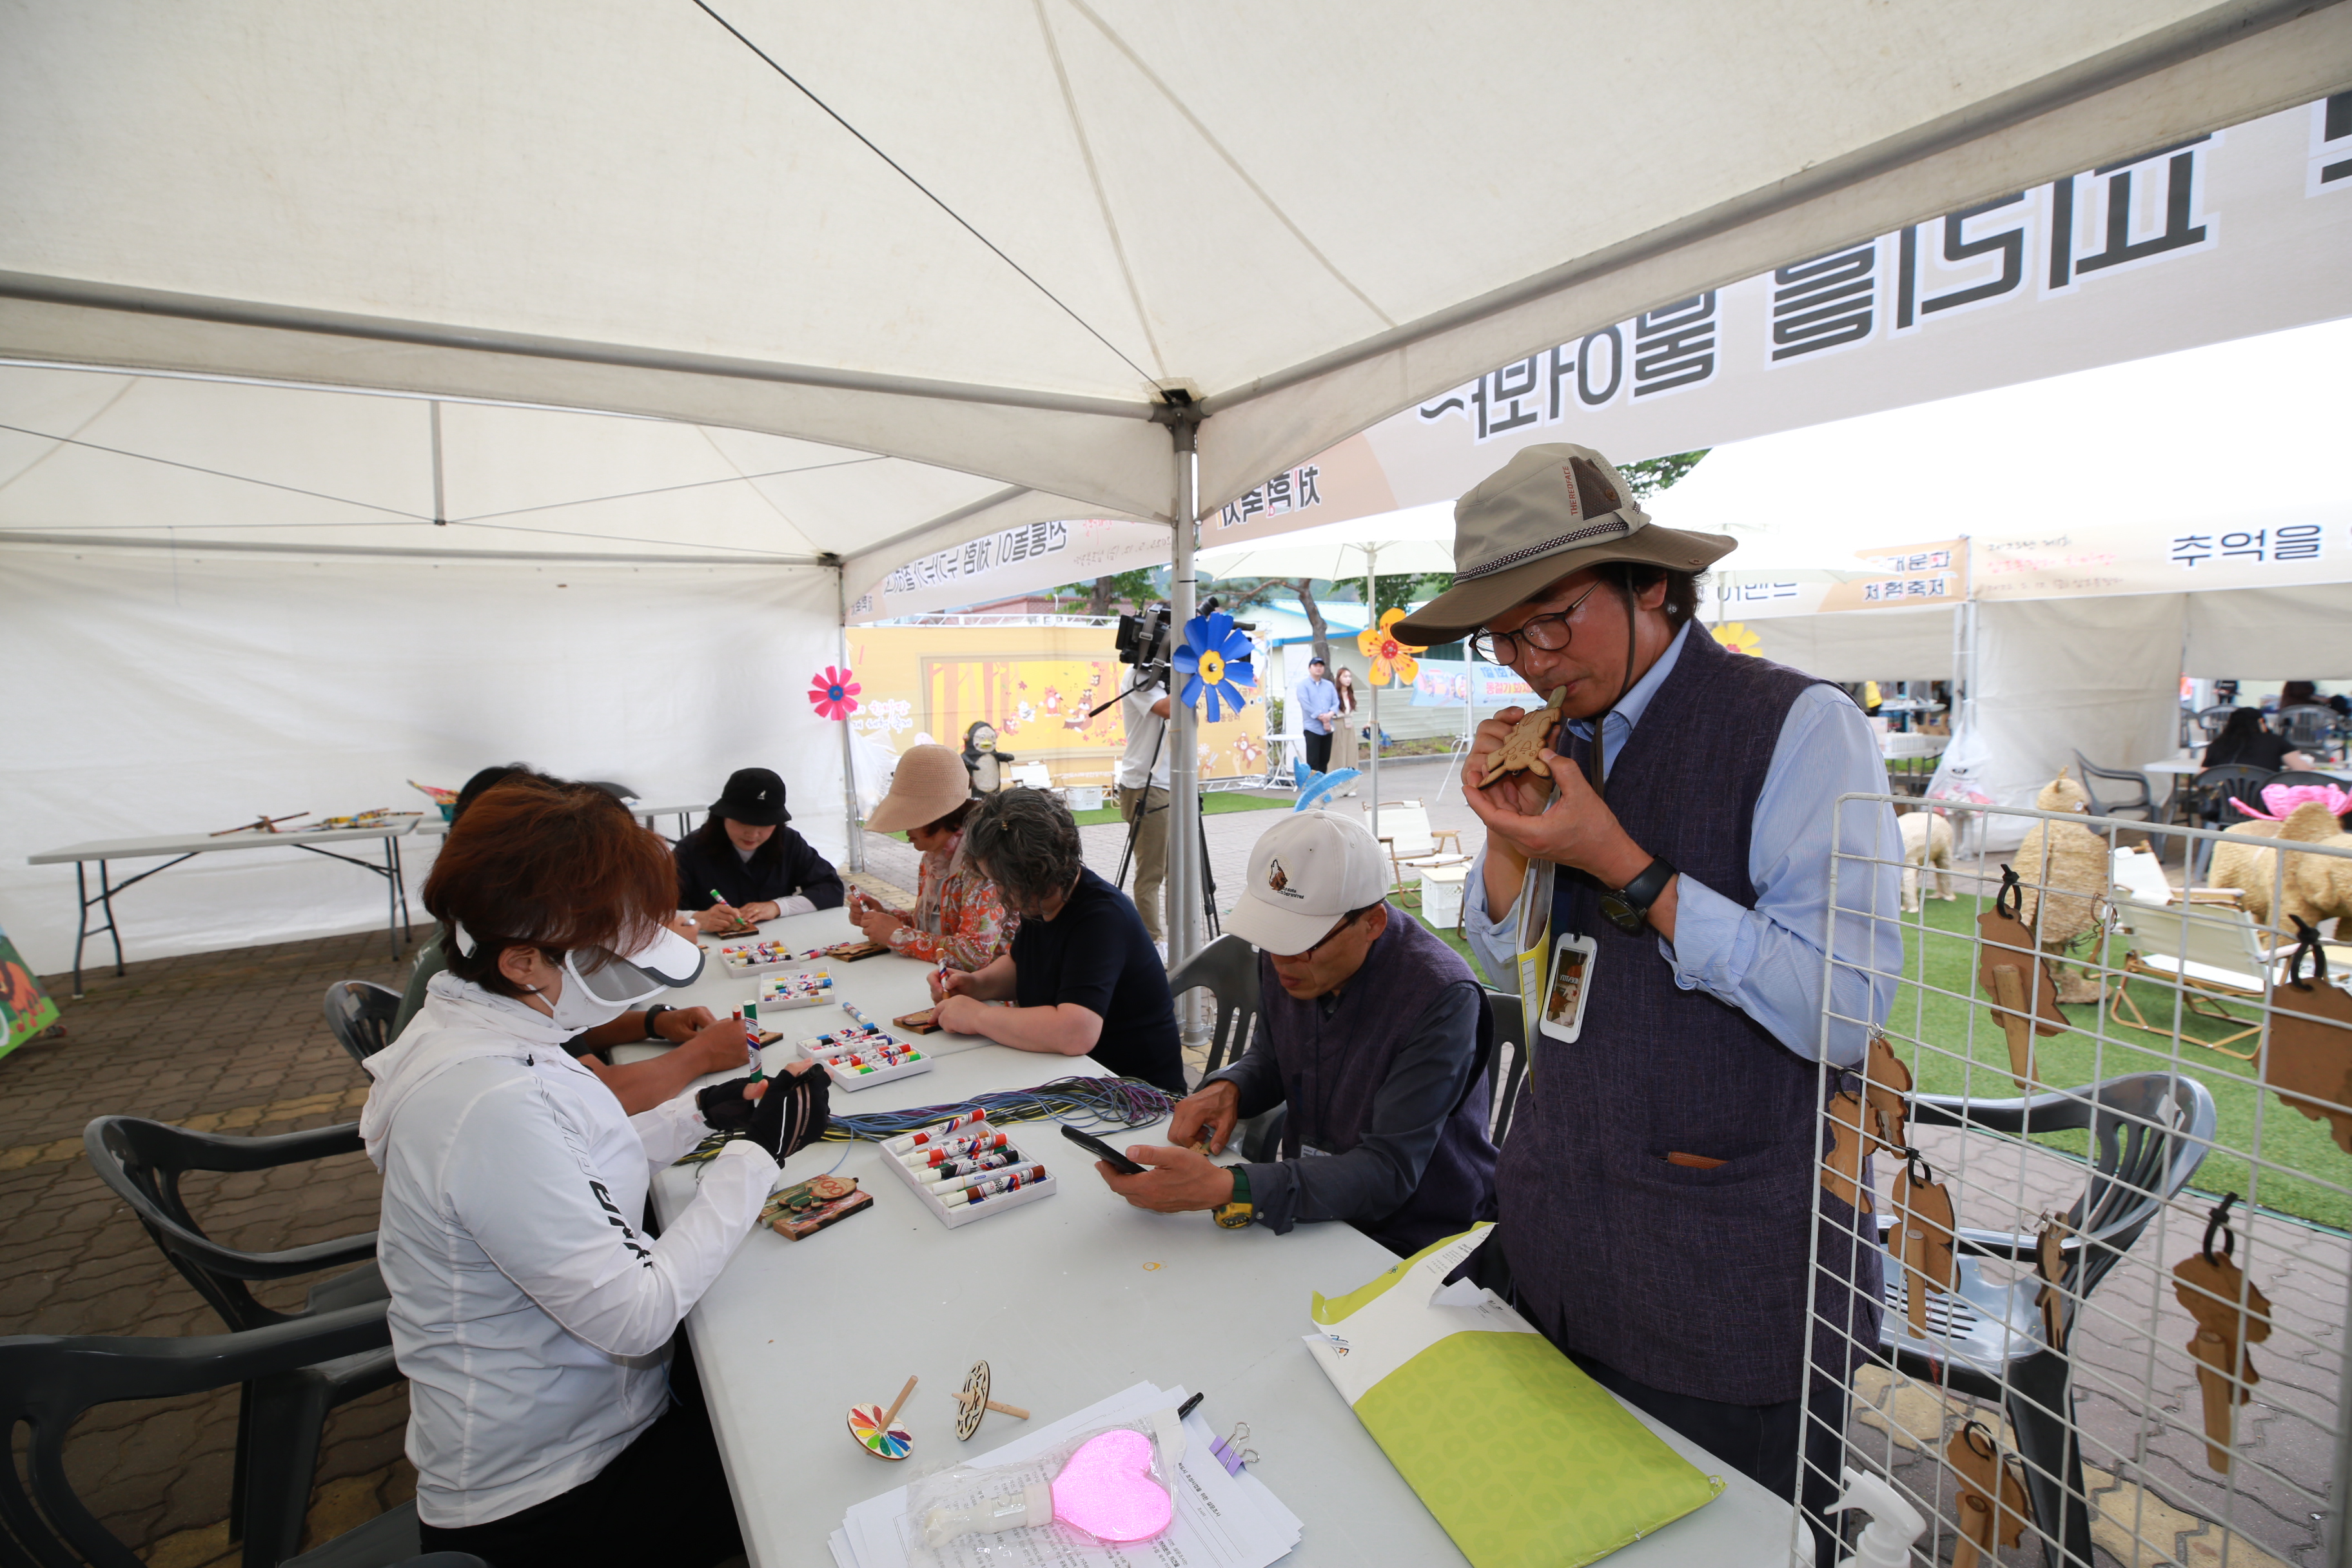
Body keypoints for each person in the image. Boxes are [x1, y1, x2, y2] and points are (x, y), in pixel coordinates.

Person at [1393, 442, 1900, 1553]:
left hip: (1727, 1286)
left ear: (1650, 581)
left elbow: (1842, 1007)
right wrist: (1509, 843)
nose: (1529, 663)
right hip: (1553, 1253)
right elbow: (1499, 968)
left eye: (1551, 621)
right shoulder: (1564, 737)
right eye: (1501, 638)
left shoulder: (1799, 726)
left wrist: (1626, 863)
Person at [362, 774, 825, 1566]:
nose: (632, 986)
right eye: (610, 966)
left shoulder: (488, 1026)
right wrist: (758, 1155)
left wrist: (704, 1117)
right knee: (814, 1458)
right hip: (553, 1494)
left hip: (583, 1424)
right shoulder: (488, 1102)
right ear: (522, 961)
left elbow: (573, 1153)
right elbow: (637, 1315)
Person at [1096, 810, 1497, 1255]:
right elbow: (1273, 1057)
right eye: (1270, 936)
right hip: (1312, 1205)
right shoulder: (1285, 955)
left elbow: (1390, 1171)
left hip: (1413, 1236)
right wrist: (1234, 1086)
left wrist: (1234, 1186)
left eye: (1303, 943)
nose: (1281, 961)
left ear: (1373, 923)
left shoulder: (1440, 996)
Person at [392, 765, 755, 1114]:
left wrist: (653, 1022)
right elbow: (596, 1097)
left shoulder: (503, 972)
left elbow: (565, 1029)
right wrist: (703, 1055)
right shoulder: (504, 1092)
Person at [931, 787, 1186, 1095]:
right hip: (1079, 1078)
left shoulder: (1102, 918)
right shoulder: (1043, 897)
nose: (999, 893)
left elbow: (1075, 1032)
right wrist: (976, 984)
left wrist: (979, 1016)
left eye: (1001, 883)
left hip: (1137, 1095)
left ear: (1033, 876)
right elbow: (1023, 963)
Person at [847, 743, 1014, 970]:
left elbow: (975, 953)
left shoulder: (984, 862)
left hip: (992, 994)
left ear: (942, 816)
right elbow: (937, 926)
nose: (905, 827)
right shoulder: (935, 856)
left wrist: (896, 935)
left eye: (911, 816)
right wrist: (883, 915)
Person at [675, 767, 845, 930]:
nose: (753, 834)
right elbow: (652, 911)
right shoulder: (689, 850)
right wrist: (697, 918)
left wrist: (777, 907)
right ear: (722, 816)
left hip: (777, 945)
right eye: (743, 822)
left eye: (765, 824)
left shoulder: (788, 841)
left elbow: (831, 889)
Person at [1115, 664, 1173, 945]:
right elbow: (1167, 708)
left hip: (1173, 784)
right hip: (1146, 786)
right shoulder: (1139, 674)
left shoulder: (1172, 675)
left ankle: (1180, 936)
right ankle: (1154, 942)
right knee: (1152, 872)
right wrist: (1198, 672)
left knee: (1179, 869)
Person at [2203, 707, 2309, 774]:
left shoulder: (2218, 743)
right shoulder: (2275, 741)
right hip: (2263, 800)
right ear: (2261, 722)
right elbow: (2303, 770)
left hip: (2225, 801)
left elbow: (2204, 774)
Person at [1293, 656, 1340, 774]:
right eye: (1315, 666)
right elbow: (1306, 704)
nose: (1318, 669)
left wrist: (1329, 716)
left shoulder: (1329, 685)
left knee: (1325, 760)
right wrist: (1322, 718)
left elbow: (1336, 703)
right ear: (1310, 668)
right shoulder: (1303, 685)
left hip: (1328, 728)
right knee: (1313, 761)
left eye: (1321, 666)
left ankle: (1322, 786)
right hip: (1312, 728)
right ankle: (1312, 787)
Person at [1328, 666, 1362, 790]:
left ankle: (1351, 786)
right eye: (1345, 676)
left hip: (1349, 724)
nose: (1348, 679)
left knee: (1351, 755)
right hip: (1337, 723)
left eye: (1349, 677)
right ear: (1339, 678)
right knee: (1338, 755)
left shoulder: (1351, 694)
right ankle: (1337, 786)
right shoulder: (1334, 694)